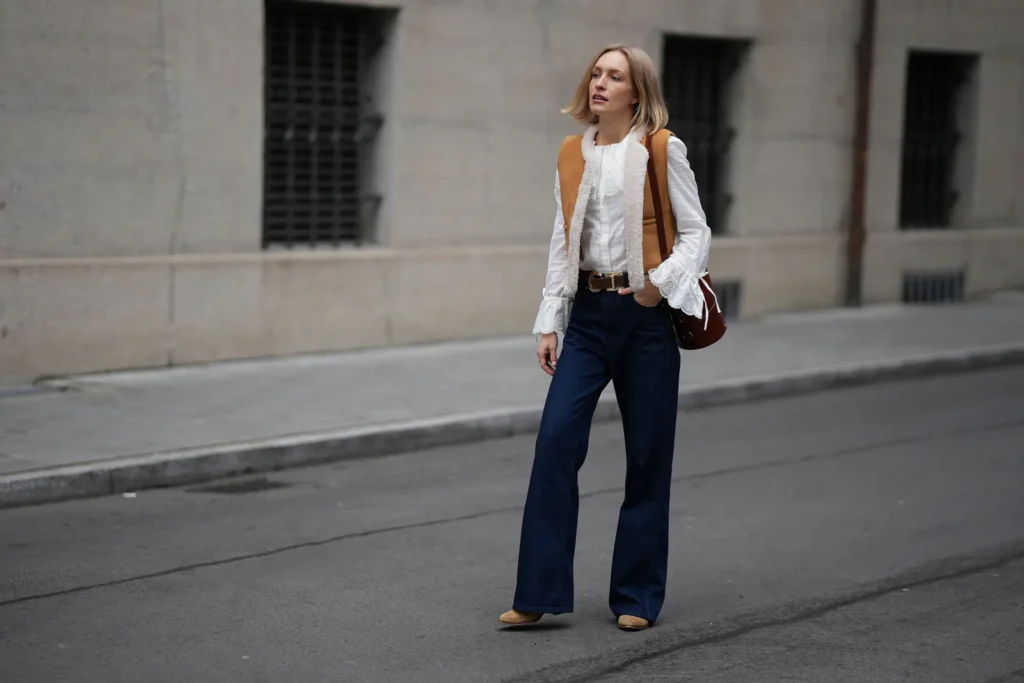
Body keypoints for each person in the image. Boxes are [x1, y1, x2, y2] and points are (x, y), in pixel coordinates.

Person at [498, 44, 713, 631]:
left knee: (646, 457)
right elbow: (563, 237)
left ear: (636, 90)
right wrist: (551, 318)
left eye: (614, 76)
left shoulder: (662, 149)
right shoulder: (573, 153)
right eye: (596, 73)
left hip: (644, 319)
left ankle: (636, 597)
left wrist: (658, 286)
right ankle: (537, 591)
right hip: (590, 318)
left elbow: (696, 233)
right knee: (555, 444)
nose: (600, 83)